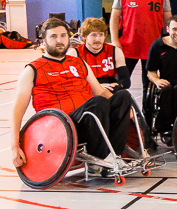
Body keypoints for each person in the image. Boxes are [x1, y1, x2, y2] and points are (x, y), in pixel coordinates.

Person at [12, 18, 136, 176]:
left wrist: (127, 108)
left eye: (63, 36)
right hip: (59, 125)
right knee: (97, 103)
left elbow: (101, 91)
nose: (59, 40)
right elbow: (17, 110)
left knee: (122, 96)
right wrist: (14, 146)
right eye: (53, 36)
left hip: (88, 119)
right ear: (44, 40)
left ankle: (114, 156)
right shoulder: (32, 70)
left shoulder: (79, 63)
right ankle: (98, 161)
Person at [110, 0, 172, 94]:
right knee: (120, 83)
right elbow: (114, 17)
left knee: (149, 87)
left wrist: (168, 38)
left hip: (152, 45)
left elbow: (168, 18)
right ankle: (118, 112)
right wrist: (114, 40)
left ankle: (147, 115)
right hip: (127, 45)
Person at [67, 17, 130, 92]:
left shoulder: (115, 51)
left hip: (109, 87)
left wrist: (117, 85)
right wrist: (97, 86)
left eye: (101, 35)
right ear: (84, 36)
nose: (98, 39)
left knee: (124, 94)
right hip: (86, 89)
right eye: (93, 35)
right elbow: (70, 83)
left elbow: (126, 81)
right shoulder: (74, 54)